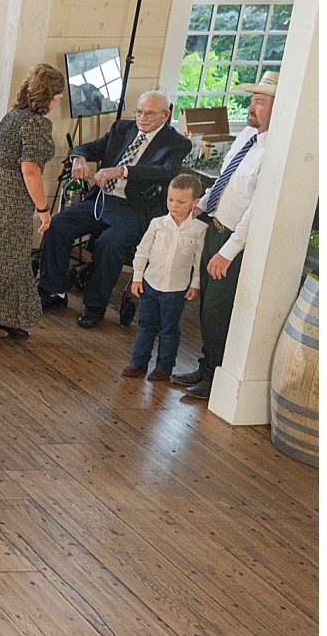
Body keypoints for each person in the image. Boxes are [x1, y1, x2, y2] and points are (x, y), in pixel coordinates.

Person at [38, 90, 186, 329]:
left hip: (133, 208)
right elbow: (91, 148)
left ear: (165, 115)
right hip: (103, 199)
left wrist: (121, 171)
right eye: (139, 112)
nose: (142, 118)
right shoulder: (122, 129)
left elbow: (165, 171)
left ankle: (95, 306)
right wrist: (78, 158)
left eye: (149, 114)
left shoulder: (176, 143)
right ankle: (53, 291)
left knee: (109, 243)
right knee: (58, 225)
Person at [177, 72, 279, 402]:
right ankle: (206, 366)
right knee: (207, 305)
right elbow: (227, 178)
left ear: (280, 108)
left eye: (260, 102)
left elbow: (255, 211)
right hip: (215, 227)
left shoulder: (275, 153)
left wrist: (228, 252)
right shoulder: (248, 136)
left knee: (217, 311)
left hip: (234, 241)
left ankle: (215, 378)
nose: (251, 106)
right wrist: (202, 205)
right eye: (253, 99)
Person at [0, 64, 66, 338]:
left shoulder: (13, 115)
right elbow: (30, 168)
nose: (58, 101)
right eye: (56, 97)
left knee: (4, 255)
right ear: (49, 96)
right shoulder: (36, 124)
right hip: (13, 195)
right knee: (11, 258)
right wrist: (43, 208)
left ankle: (5, 319)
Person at [124, 175, 207, 383]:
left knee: (169, 329)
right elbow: (142, 251)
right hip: (151, 284)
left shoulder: (198, 230)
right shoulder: (157, 224)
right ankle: (139, 361)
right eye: (171, 200)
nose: (174, 206)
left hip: (176, 289)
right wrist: (137, 278)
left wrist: (194, 284)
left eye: (181, 202)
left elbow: (198, 261)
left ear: (195, 202)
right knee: (146, 324)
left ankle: (164, 367)